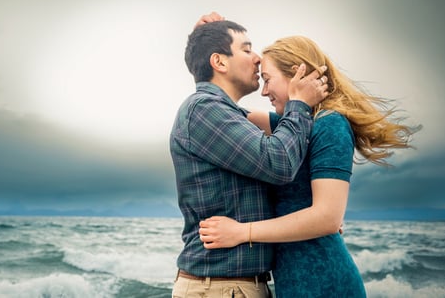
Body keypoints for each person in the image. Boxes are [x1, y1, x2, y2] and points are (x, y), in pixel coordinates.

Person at [199, 35, 420, 297]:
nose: (264, 91)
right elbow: (221, 115)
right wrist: (208, 43)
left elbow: (327, 218)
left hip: (325, 282)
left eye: (268, 80)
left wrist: (240, 232)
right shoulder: (292, 123)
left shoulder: (331, 123)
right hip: (293, 280)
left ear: (297, 75)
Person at [170, 16, 329, 298]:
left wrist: (318, 213)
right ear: (219, 62)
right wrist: (300, 104)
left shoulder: (227, 115)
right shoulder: (205, 109)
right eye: (246, 49)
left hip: (232, 286)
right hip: (221, 288)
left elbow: (284, 149)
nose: (257, 59)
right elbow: (279, 162)